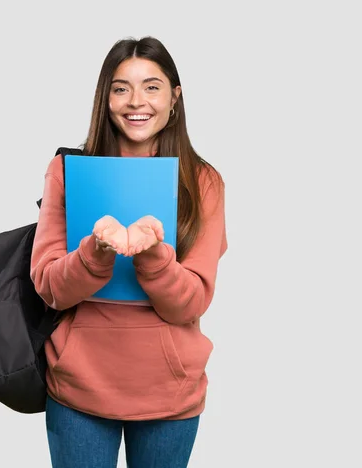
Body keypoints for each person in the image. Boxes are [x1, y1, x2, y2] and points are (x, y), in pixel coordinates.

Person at [30, 36, 228, 468]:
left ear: (175, 98)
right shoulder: (66, 172)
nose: (136, 101)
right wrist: (97, 252)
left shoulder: (204, 182)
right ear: (106, 98)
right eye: (121, 88)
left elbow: (191, 303)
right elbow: (49, 288)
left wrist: (154, 254)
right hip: (80, 389)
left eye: (152, 86)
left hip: (169, 393)